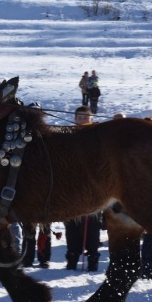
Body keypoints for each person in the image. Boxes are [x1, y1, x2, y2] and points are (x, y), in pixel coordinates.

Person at [64, 106, 101, 271]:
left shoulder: (98, 137)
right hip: (71, 190)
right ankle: (72, 258)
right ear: (74, 118)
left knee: (92, 228)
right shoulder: (68, 135)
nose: (83, 120)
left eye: (86, 117)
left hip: (93, 190)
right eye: (80, 117)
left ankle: (93, 259)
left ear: (92, 119)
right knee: (72, 227)